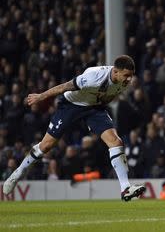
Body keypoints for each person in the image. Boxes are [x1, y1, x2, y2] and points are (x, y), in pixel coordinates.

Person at [2, 55, 146, 202]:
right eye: (127, 75)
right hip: (71, 105)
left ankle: (125, 188)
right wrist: (41, 96)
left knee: (116, 142)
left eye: (131, 76)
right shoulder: (93, 77)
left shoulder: (123, 82)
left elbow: (109, 96)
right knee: (46, 146)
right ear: (115, 71)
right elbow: (64, 87)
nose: (129, 79)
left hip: (94, 108)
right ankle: (18, 173)